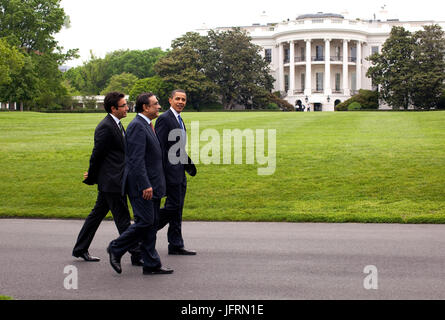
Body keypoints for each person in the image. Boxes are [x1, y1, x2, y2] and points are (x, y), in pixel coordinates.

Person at [107, 92, 173, 275]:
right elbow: (136, 160)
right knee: (145, 222)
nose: (159, 107)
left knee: (151, 224)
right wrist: (145, 184)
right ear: (145, 107)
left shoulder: (147, 125)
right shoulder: (137, 126)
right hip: (142, 186)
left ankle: (151, 263)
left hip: (153, 184)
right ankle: (116, 247)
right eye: (156, 104)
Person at [72, 92, 142, 266]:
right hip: (112, 182)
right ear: (113, 108)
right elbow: (97, 155)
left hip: (113, 180)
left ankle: (80, 248)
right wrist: (92, 175)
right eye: (124, 105)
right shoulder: (106, 127)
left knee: (96, 216)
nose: (127, 108)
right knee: (123, 219)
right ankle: (136, 254)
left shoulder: (116, 124)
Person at [155, 89, 197, 256]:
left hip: (179, 172)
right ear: (170, 100)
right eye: (178, 99)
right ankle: (143, 229)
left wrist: (188, 164)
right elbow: (159, 148)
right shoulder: (165, 119)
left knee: (177, 209)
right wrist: (164, 173)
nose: (181, 102)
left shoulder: (179, 119)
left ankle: (175, 244)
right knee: (172, 207)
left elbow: (177, 148)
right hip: (170, 173)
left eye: (183, 99)